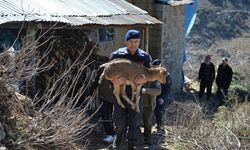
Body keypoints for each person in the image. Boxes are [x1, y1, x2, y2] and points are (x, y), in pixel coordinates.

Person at [109, 29, 152, 149]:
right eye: (131, 41)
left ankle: (131, 144)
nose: (133, 44)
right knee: (119, 122)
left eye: (136, 41)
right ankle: (119, 138)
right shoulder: (116, 55)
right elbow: (108, 74)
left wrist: (145, 80)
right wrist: (116, 80)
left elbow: (150, 75)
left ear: (139, 42)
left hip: (135, 96)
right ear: (126, 42)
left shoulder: (144, 57)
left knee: (134, 122)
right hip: (120, 96)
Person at [90, 62, 116, 144]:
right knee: (105, 115)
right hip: (104, 97)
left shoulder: (120, 68)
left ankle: (118, 134)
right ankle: (109, 134)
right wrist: (90, 92)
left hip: (117, 97)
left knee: (116, 116)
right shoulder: (102, 68)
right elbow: (96, 81)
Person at [153, 59, 172, 132]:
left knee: (159, 110)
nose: (155, 68)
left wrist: (162, 98)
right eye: (154, 67)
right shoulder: (155, 73)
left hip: (162, 95)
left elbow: (168, 88)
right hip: (156, 94)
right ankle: (158, 124)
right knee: (156, 110)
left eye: (157, 67)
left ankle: (160, 126)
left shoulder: (166, 75)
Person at [141, 77, 161, 145]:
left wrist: (146, 90)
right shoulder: (136, 75)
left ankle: (147, 138)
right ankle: (133, 139)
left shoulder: (154, 79)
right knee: (133, 122)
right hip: (136, 104)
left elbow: (158, 91)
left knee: (147, 122)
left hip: (148, 105)